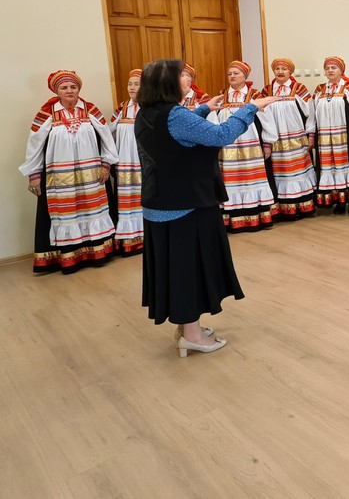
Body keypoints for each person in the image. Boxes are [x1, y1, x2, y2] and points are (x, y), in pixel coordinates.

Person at [135, 58, 279, 357]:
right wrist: (250, 108)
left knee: (175, 268)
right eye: (181, 76)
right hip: (186, 204)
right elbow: (220, 136)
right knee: (189, 269)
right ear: (167, 82)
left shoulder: (145, 112)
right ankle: (192, 335)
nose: (187, 80)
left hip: (159, 201)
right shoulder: (175, 115)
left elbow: (176, 133)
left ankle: (188, 328)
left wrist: (203, 109)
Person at [20, 70, 119, 274]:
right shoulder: (46, 113)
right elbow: (34, 145)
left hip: (91, 174)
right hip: (61, 176)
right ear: (57, 91)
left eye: (73, 87)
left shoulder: (90, 110)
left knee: (92, 210)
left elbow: (107, 138)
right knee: (67, 213)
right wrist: (34, 175)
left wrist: (106, 164)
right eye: (64, 87)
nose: (69, 91)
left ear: (79, 89)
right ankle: (70, 258)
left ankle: (97, 254)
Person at [210, 61, 278, 232]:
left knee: (251, 178)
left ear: (245, 76)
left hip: (250, 144)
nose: (232, 76)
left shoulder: (255, 95)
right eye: (229, 74)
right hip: (228, 146)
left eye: (236, 73)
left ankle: (255, 215)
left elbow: (267, 120)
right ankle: (232, 218)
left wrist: (268, 143)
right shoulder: (222, 95)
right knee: (230, 179)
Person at [255, 58, 316, 219]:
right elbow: (262, 114)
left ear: (290, 72)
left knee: (298, 171)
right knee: (279, 171)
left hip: (296, 137)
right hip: (276, 138)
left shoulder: (299, 88)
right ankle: (284, 209)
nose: (280, 72)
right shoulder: (267, 90)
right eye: (277, 69)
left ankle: (303, 206)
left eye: (284, 69)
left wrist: (311, 135)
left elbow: (310, 112)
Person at [313, 56, 349, 213]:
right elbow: (313, 113)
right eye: (327, 68)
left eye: (334, 68)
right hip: (326, 138)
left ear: (341, 70)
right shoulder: (320, 90)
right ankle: (338, 200)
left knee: (348, 165)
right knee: (330, 167)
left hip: (346, 136)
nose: (330, 70)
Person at [109, 68, 145, 256]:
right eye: (130, 84)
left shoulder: (151, 108)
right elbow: (109, 133)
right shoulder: (121, 109)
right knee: (129, 198)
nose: (132, 87)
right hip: (125, 162)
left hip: (145, 161)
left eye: (136, 84)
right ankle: (130, 238)